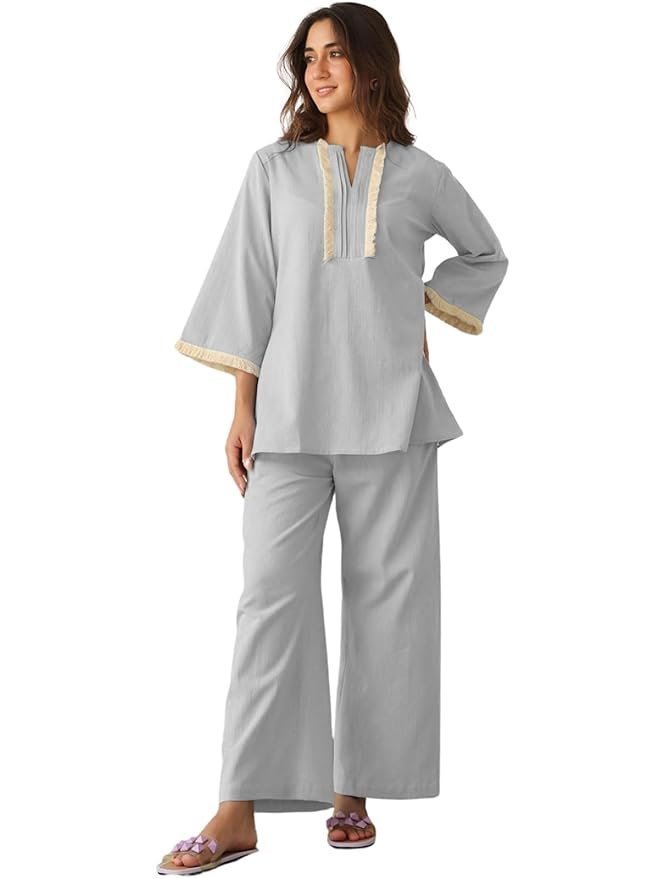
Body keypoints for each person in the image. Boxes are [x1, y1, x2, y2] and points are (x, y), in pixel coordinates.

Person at [157, 3, 508, 873]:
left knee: (389, 603)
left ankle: (355, 787)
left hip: (395, 415)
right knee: (268, 600)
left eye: (334, 54)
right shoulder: (272, 169)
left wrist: (422, 304)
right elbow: (249, 285)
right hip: (287, 416)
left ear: (371, 65)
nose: (316, 70)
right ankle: (237, 806)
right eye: (307, 56)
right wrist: (242, 404)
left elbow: (485, 253)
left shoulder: (420, 175)